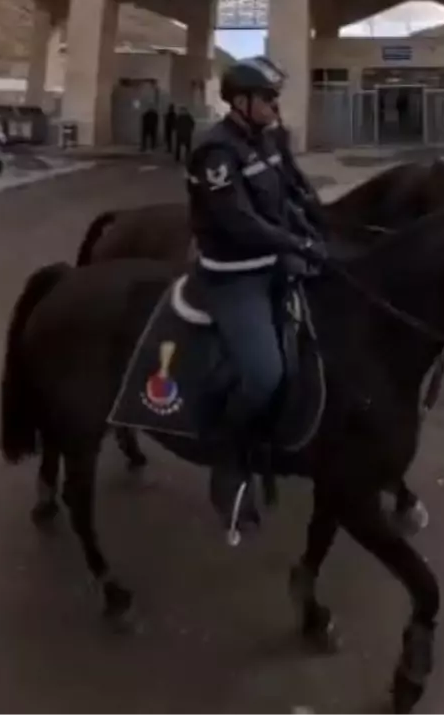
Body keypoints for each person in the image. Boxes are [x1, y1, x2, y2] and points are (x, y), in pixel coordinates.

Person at [186, 56, 327, 536]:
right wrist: (296, 244)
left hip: (274, 263)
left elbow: (292, 193)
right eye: (268, 98)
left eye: (274, 99)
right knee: (265, 372)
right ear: (242, 102)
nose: (274, 105)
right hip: (234, 275)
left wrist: (317, 224)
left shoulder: (268, 138)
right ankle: (227, 459)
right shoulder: (215, 152)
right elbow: (239, 223)